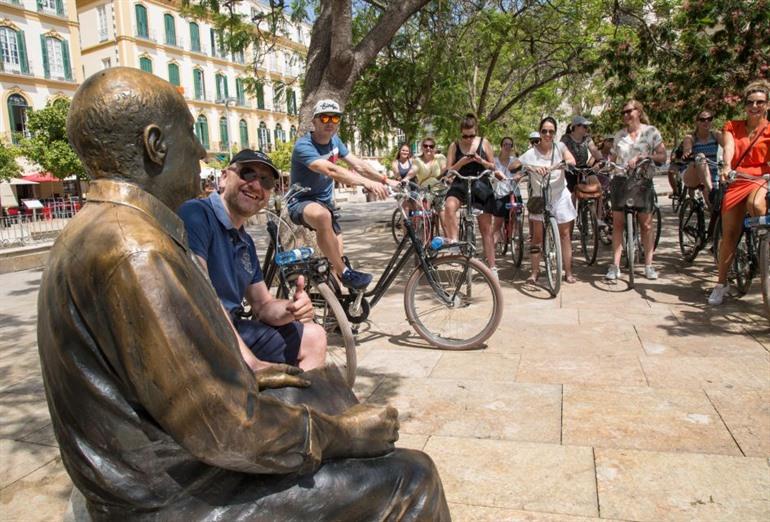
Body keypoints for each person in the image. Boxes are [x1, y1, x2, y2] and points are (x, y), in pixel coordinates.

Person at [37, 68, 449, 520]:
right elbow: (221, 428)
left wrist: (258, 358)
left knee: (323, 389)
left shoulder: (98, 227)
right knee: (414, 478)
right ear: (155, 145)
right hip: (163, 494)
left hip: (156, 460)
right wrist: (341, 435)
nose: (198, 151)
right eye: (190, 135)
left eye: (267, 181)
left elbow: (194, 360)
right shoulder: (137, 249)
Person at [179, 149, 327, 372]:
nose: (256, 186)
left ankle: (303, 405)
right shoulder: (197, 214)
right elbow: (202, 297)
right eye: (247, 174)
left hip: (234, 329)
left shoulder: (244, 240)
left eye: (266, 181)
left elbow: (262, 304)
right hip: (200, 334)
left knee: (314, 336)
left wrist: (291, 308)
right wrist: (252, 362)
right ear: (224, 177)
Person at [288, 99, 397, 290]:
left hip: (326, 204)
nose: (330, 122)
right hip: (302, 201)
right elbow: (331, 170)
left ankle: (338, 310)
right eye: (324, 117)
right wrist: (366, 183)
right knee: (323, 218)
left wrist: (385, 180)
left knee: (336, 258)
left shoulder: (336, 142)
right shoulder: (303, 146)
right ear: (314, 121)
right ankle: (346, 273)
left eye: (335, 118)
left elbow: (359, 165)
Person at [710, 80, 770, 305]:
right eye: (750, 102)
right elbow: (729, 148)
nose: (754, 106)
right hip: (738, 177)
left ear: (767, 105)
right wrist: (726, 166)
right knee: (730, 235)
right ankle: (721, 283)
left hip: (761, 178)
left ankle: (763, 244)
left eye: (760, 102)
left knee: (757, 205)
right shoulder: (732, 126)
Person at [605, 100, 667, 281]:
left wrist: (646, 156)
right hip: (621, 181)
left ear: (638, 111)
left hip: (642, 181)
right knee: (617, 224)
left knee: (646, 225)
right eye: (623, 113)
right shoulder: (619, 136)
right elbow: (614, 159)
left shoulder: (651, 132)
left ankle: (649, 265)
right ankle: (615, 266)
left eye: (629, 111)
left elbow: (662, 156)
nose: (625, 115)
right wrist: (607, 165)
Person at [512, 116, 578, 284]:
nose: (548, 134)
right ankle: (534, 272)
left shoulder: (560, 147)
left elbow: (571, 160)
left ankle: (568, 272)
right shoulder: (531, 153)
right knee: (537, 237)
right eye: (544, 131)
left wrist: (562, 164)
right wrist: (527, 167)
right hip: (539, 197)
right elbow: (512, 166)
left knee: (564, 235)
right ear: (540, 133)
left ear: (555, 133)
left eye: (551, 131)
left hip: (559, 194)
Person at [443, 113, 506, 278]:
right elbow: (449, 171)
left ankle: (492, 267)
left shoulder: (484, 143)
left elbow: (493, 166)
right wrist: (462, 162)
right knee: (449, 206)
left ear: (476, 131)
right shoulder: (454, 146)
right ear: (460, 133)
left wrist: (480, 160)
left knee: (486, 228)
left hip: (481, 183)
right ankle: (455, 243)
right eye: (465, 136)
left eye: (472, 135)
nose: (469, 139)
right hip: (460, 183)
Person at [682, 109, 723, 207]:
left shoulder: (716, 135)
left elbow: (728, 146)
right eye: (702, 119)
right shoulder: (691, 137)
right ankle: (711, 191)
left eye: (709, 119)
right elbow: (687, 148)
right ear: (697, 122)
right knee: (700, 156)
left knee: (715, 207)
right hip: (694, 174)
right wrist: (688, 152)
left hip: (712, 175)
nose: (706, 122)